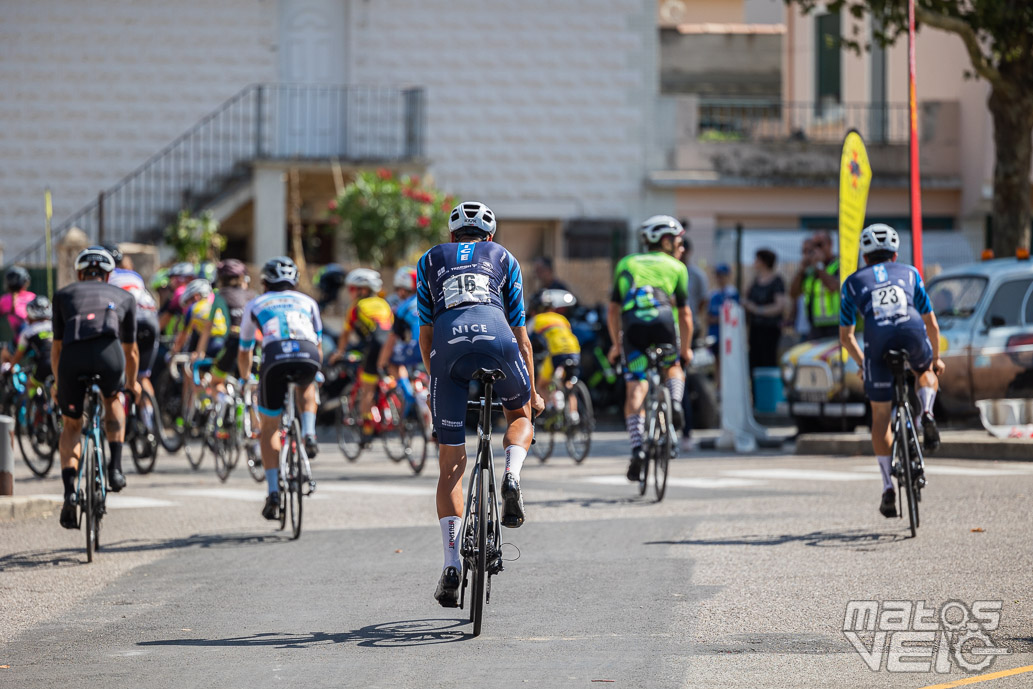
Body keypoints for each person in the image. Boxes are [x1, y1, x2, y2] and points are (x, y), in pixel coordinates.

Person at [416, 201, 544, 608]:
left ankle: (452, 563)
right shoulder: (504, 257)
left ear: (452, 236)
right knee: (520, 415)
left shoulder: (430, 259)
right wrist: (534, 392)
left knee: (451, 463)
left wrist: (438, 378)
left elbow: (424, 332)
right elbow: (522, 335)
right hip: (498, 339)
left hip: (447, 347)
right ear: (489, 237)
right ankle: (512, 476)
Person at [840, 224, 944, 518]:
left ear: (865, 256)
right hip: (911, 332)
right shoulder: (910, 274)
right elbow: (932, 325)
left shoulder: (851, 283)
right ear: (895, 254)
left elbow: (846, 338)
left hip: (878, 344)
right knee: (924, 371)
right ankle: (927, 411)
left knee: (881, 418)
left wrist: (863, 365)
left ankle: (887, 486)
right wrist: (935, 360)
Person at [51, 247, 139, 529]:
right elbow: (132, 351)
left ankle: (70, 493)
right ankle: (115, 469)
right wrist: (131, 383)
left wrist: (58, 383)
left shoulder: (63, 295)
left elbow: (56, 348)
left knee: (72, 425)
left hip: (72, 359)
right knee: (113, 398)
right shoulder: (125, 297)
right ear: (109, 275)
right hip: (108, 354)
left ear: (79, 273)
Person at [607, 215, 693, 481]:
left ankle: (637, 449)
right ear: (666, 241)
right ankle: (676, 403)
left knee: (636, 387)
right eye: (678, 241)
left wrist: (616, 344)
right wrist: (685, 350)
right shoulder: (677, 266)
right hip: (664, 320)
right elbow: (685, 314)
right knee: (674, 367)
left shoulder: (626, 262)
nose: (681, 247)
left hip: (633, 324)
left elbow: (613, 309)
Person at [238, 256, 323, 521]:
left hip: (274, 358)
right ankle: (308, 433)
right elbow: (318, 342)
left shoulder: (256, 303)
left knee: (270, 428)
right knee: (307, 386)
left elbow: (245, 349)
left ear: (264, 282)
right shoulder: (308, 302)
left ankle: (273, 492)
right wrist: (316, 373)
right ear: (295, 282)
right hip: (307, 352)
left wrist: (244, 379)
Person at [330, 269, 393, 444]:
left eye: (352, 289)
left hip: (374, 347)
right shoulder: (384, 304)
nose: (350, 293)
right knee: (390, 375)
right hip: (391, 346)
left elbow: (345, 334)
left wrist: (339, 353)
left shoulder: (356, 307)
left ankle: (367, 430)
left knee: (367, 390)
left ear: (363, 290)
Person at [105, 245, 160, 398]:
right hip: (150, 319)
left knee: (120, 373)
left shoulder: (107, 277)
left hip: (129, 319)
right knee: (142, 378)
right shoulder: (134, 276)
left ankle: (121, 411)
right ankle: (149, 417)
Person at [527, 289, 582, 416]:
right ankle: (574, 415)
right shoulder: (562, 318)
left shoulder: (536, 320)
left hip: (556, 352)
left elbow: (525, 341)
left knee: (541, 384)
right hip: (575, 350)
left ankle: (551, 407)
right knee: (568, 384)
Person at [376, 267, 422, 417]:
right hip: (437, 347)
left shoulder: (402, 308)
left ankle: (409, 396)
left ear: (404, 289)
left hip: (417, 347)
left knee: (393, 359)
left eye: (398, 289)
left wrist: (381, 363)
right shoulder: (428, 302)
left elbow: (392, 339)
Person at [742, 249, 787, 373]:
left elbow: (779, 306)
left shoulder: (777, 281)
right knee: (754, 361)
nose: (754, 262)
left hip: (770, 329)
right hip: (756, 328)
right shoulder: (755, 281)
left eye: (757, 260)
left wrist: (758, 310)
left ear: (764, 262)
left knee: (768, 360)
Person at [791, 231, 840, 340]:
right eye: (813, 246)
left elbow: (833, 287)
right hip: (814, 327)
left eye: (819, 245)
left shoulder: (838, 264)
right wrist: (801, 270)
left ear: (830, 244)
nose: (816, 249)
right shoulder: (810, 269)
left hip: (837, 325)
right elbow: (794, 293)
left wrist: (819, 265)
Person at [1, 295, 53, 384]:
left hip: (44, 364)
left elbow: (18, 354)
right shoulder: (54, 326)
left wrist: (10, 368)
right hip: (61, 362)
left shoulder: (28, 332)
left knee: (31, 385)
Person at [0, 266, 36, 347]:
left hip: (20, 342)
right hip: (36, 338)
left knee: (4, 354)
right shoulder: (32, 296)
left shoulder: (5, 299)